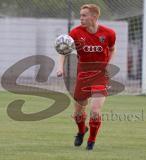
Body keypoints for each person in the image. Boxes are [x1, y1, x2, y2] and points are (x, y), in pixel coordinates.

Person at [57, 3, 116, 150]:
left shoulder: (109, 33)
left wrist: (108, 64)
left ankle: (91, 141)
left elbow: (112, 49)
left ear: (94, 16)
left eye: (84, 15)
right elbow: (63, 50)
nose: (81, 18)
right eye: (80, 15)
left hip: (100, 75)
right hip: (83, 75)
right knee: (78, 113)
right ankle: (82, 131)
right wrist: (60, 67)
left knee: (95, 111)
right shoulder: (75, 33)